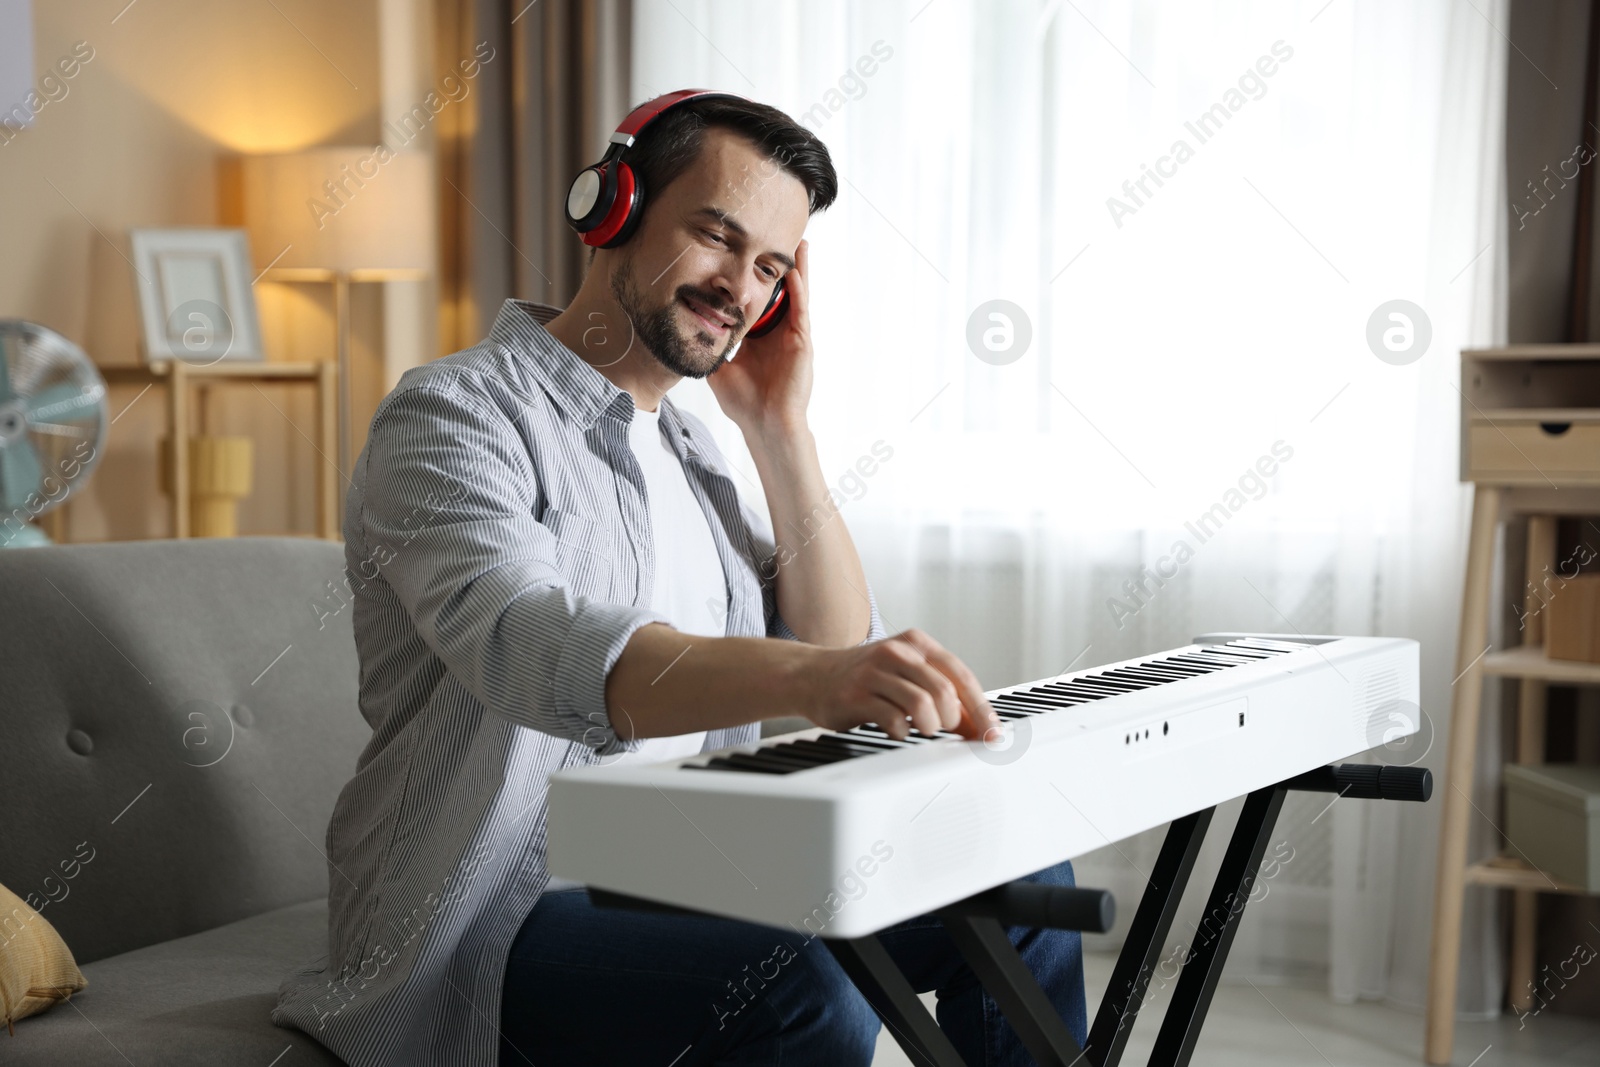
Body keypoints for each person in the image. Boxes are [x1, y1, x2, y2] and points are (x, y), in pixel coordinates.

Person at [271, 90, 1086, 1067]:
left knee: (1015, 881)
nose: (739, 286)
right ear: (610, 209)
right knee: (792, 974)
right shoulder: (454, 414)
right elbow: (525, 641)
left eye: (771, 266)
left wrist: (779, 429)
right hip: (501, 909)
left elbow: (830, 647)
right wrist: (812, 678)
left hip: (685, 865)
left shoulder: (696, 452)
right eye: (716, 235)